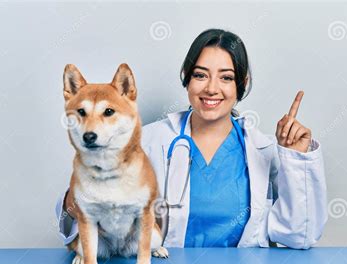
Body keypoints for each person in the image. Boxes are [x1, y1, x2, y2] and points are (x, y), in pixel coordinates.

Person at [55, 28, 328, 249]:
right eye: (200, 75)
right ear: (186, 77)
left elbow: (299, 235)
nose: (211, 88)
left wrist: (296, 159)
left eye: (226, 78)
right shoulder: (145, 142)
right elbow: (86, 217)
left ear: (241, 84)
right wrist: (75, 200)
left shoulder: (264, 151)